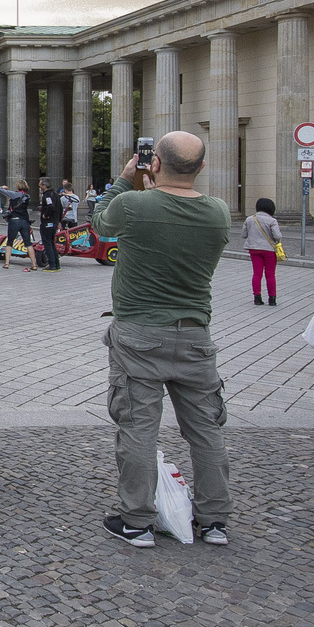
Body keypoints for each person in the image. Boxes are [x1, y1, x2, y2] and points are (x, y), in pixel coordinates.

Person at [94, 131, 232, 548]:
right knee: (206, 429)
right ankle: (214, 521)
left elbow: (101, 223)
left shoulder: (133, 204)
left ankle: (136, 521)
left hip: (138, 333)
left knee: (138, 427)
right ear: (202, 167)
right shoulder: (218, 212)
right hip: (194, 334)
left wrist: (122, 180)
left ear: (152, 163)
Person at [243, 197, 282, 305]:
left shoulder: (250, 219)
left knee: (257, 273)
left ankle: (257, 297)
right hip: (269, 249)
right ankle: (272, 299)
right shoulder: (272, 220)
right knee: (270, 274)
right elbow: (277, 236)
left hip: (254, 249)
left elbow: (243, 235)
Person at [34, 178, 63, 272]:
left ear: (44, 186)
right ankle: (56, 264)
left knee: (48, 244)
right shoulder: (56, 195)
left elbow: (51, 206)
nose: (39, 186)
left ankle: (52, 265)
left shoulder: (47, 195)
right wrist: (58, 220)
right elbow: (61, 208)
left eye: (40, 185)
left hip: (48, 223)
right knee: (52, 243)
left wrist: (45, 215)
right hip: (54, 222)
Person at [1, 181, 33, 268]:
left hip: (14, 220)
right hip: (24, 220)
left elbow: (0, 190)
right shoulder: (27, 196)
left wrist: (3, 187)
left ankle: (7, 263)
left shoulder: (14, 194)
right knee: (28, 243)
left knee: (10, 242)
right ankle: (34, 264)